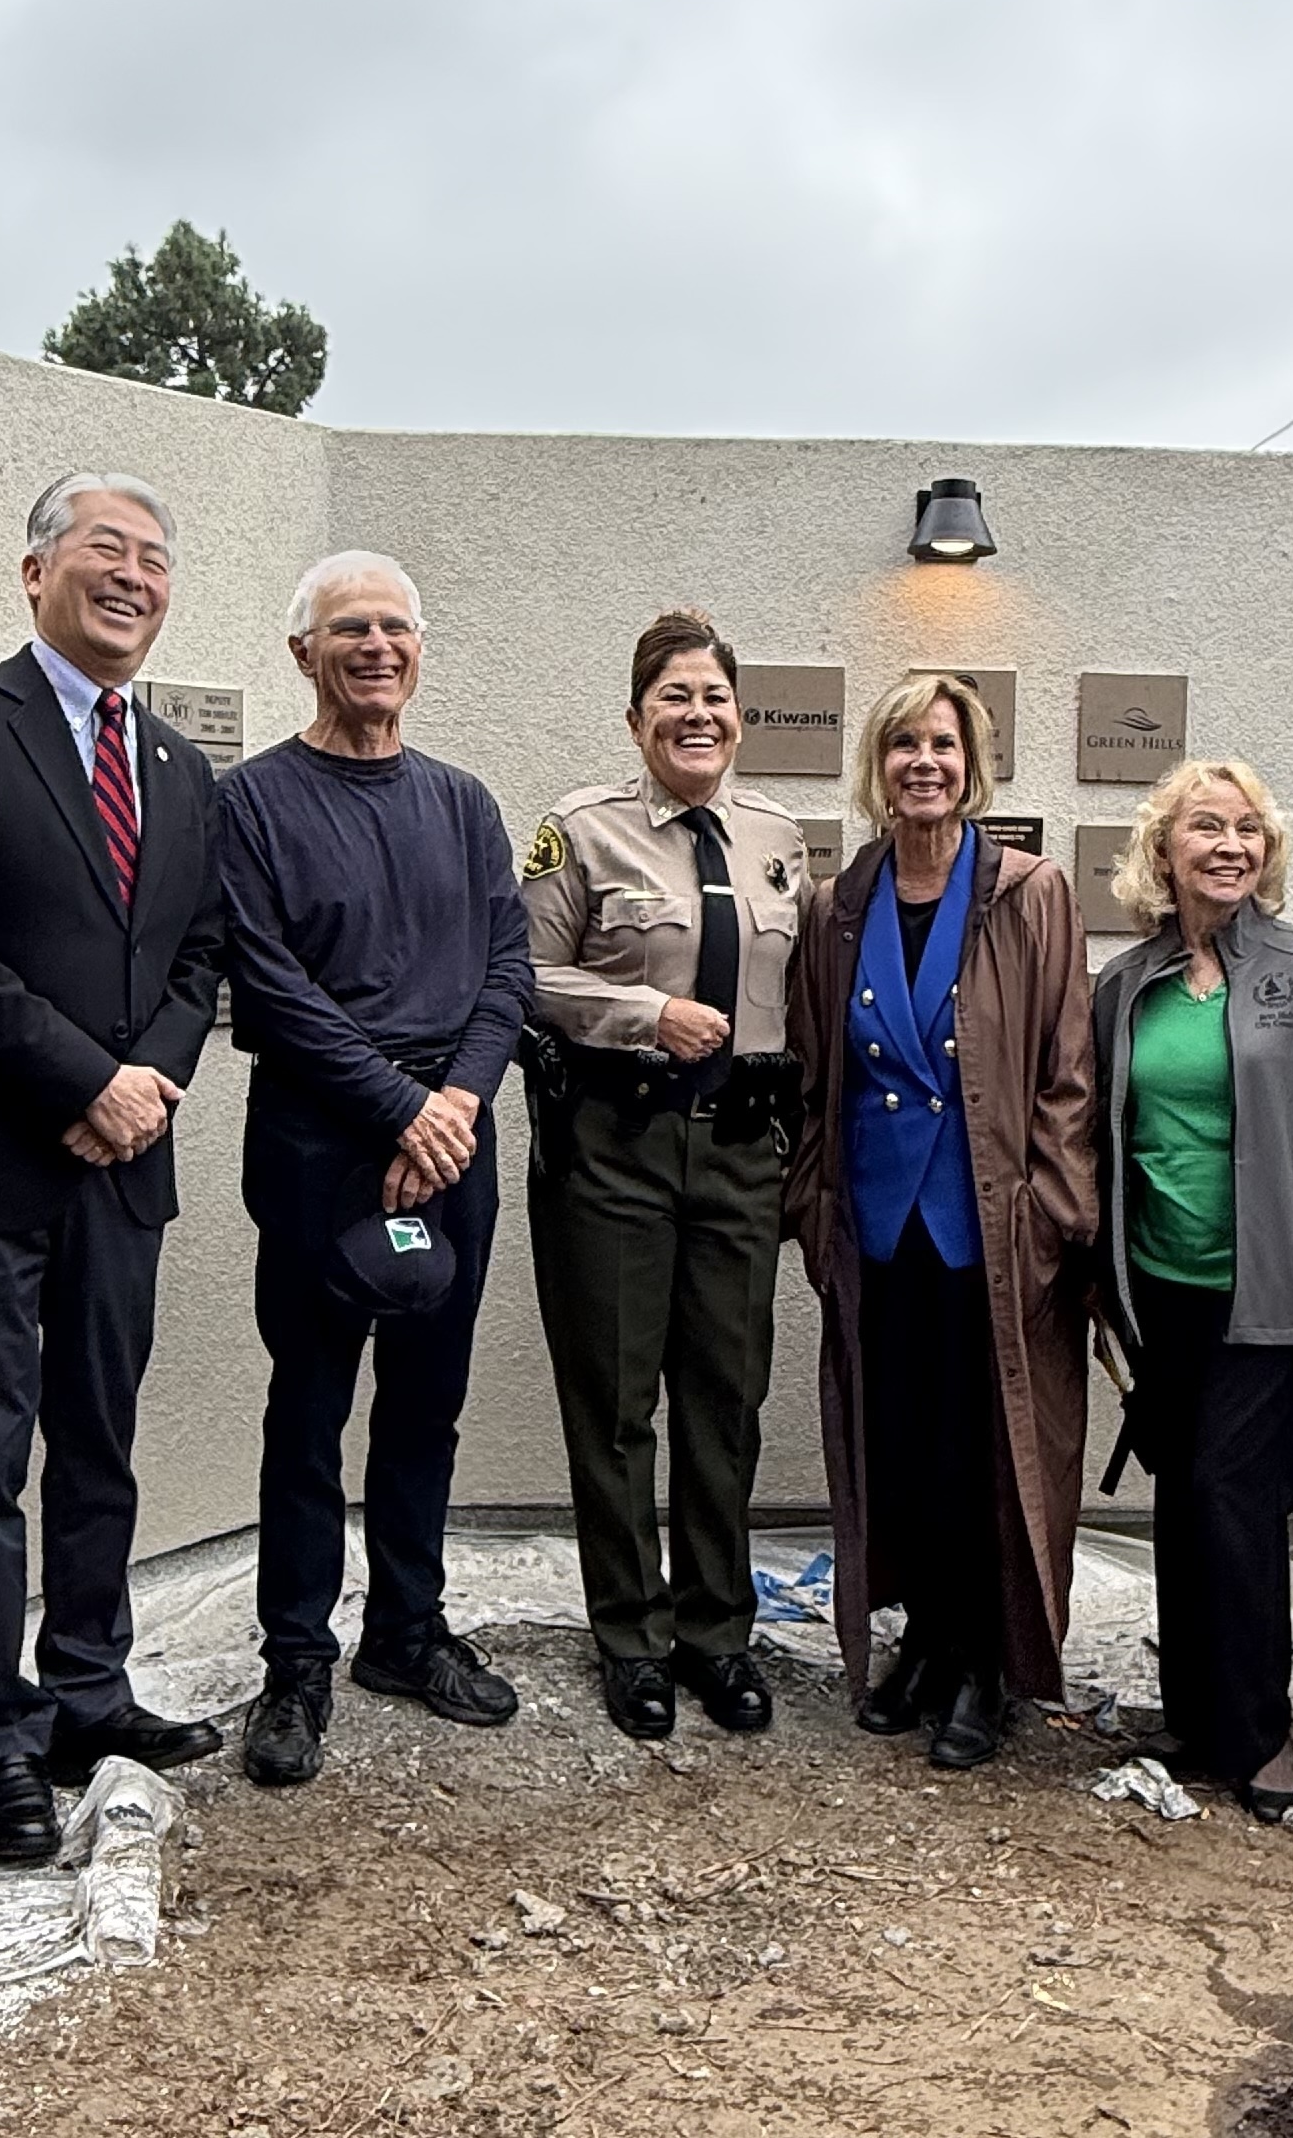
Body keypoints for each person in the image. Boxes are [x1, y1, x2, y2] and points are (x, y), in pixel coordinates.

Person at [0, 474, 229, 1865]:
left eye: (154, 556)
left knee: (99, 1442)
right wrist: (85, 1081)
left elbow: (199, 958)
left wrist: (145, 1091)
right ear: (36, 575)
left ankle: (90, 1690)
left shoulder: (183, 769)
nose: (132, 575)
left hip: (123, 1170)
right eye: (104, 551)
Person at [216, 551, 535, 1788]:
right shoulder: (250, 803)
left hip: (453, 1135)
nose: (376, 647)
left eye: (395, 627)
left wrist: (451, 1103)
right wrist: (401, 1109)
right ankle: (295, 1656)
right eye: (348, 628)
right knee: (307, 1409)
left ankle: (406, 1630)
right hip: (318, 1144)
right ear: (302, 651)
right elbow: (271, 987)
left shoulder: (463, 802)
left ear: (419, 648)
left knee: (426, 1401)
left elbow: (506, 963)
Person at [783, 674, 1095, 1769]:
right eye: (905, 743)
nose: (925, 761)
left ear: (973, 765)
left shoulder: (1026, 889)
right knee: (901, 1438)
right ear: (877, 764)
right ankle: (918, 1638)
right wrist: (811, 1207)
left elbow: (1066, 1068)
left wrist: (1055, 1212)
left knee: (981, 1445)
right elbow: (818, 1065)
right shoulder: (841, 902)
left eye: (944, 745)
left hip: (990, 1222)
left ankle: (980, 1659)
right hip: (877, 1222)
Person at [521, 609, 807, 1742]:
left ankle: (716, 1632)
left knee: (725, 1401)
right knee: (616, 1404)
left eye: (714, 698)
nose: (697, 716)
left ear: (738, 715)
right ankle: (631, 1638)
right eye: (673, 698)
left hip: (739, 1152)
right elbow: (526, 974)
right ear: (635, 718)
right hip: (617, 1144)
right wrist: (645, 1010)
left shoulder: (778, 834)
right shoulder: (580, 831)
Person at [1091, 760, 1293, 1821]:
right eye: (1204, 827)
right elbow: (1102, 1144)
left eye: (1247, 829)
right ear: (1162, 850)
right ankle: (1189, 1714)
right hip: (1158, 1286)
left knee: (1237, 1499)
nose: (1228, 844)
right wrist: (1097, 1289)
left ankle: (1258, 1734)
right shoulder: (1125, 984)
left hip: (1267, 1289)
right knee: (1182, 1493)